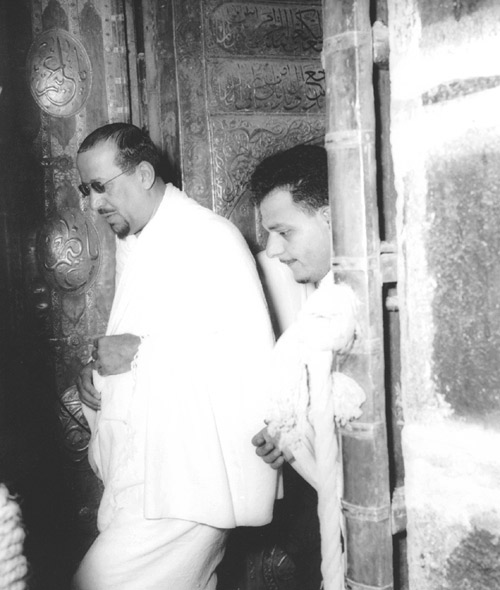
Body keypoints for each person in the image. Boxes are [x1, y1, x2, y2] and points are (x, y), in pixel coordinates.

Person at [71, 123, 278, 590]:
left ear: (144, 174)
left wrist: (137, 353)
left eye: (101, 186)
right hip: (146, 475)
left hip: (191, 479)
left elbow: (249, 358)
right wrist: (100, 374)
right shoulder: (138, 242)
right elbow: (149, 341)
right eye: (87, 190)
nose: (94, 203)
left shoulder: (209, 236)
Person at [249, 144, 361, 590]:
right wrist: (290, 437)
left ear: (330, 218)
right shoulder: (323, 294)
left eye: (284, 232)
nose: (273, 249)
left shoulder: (353, 300)